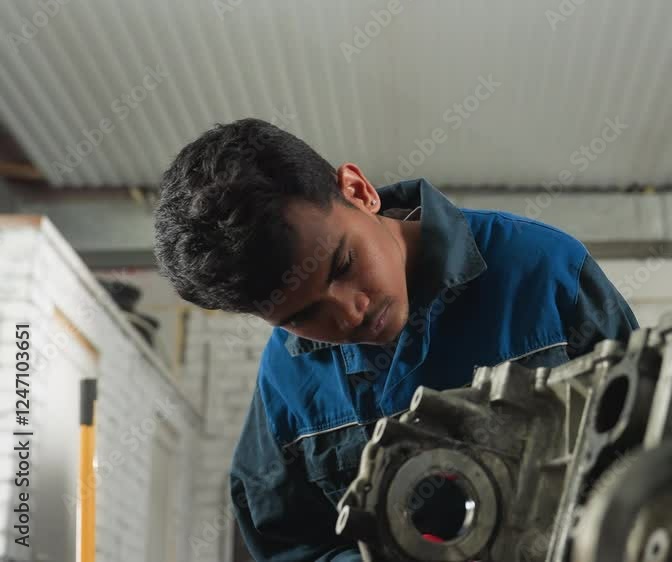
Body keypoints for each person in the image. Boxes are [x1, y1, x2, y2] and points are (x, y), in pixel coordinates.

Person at [152, 118, 638, 561]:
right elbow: (289, 548)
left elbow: (650, 446)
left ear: (359, 191)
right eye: (303, 314)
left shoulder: (544, 272)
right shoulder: (287, 382)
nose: (349, 312)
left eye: (343, 264)